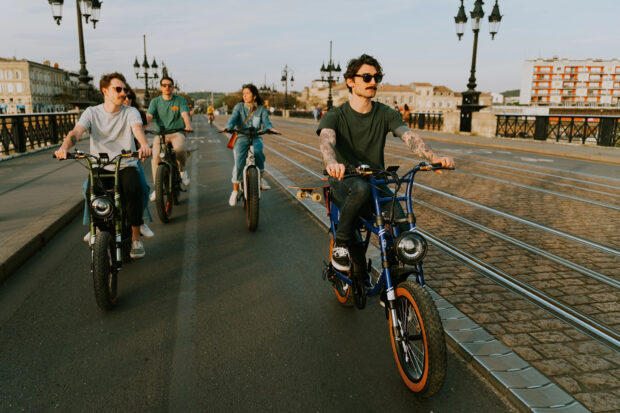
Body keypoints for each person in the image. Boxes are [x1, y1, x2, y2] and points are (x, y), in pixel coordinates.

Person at [317, 54, 454, 272]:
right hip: (345, 182)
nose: (373, 82)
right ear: (350, 81)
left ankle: (394, 284)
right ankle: (341, 244)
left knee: (403, 226)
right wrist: (332, 162)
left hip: (375, 183)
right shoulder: (336, 114)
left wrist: (433, 158)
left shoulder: (385, 113)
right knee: (360, 189)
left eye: (377, 77)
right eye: (367, 77)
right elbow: (326, 140)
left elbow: (409, 136)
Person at [55, 72, 152, 259]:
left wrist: (145, 145)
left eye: (124, 89)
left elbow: (137, 129)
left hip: (125, 164)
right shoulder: (92, 112)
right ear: (105, 91)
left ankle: (135, 237)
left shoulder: (130, 112)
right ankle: (97, 228)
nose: (123, 93)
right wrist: (64, 148)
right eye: (118, 89)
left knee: (134, 188)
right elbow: (76, 132)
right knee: (89, 191)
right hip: (100, 164)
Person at [222, 83, 279, 206]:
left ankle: (260, 180)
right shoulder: (239, 107)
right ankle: (235, 190)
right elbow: (232, 119)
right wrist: (228, 127)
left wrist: (270, 128)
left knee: (258, 153)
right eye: (243, 94)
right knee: (239, 162)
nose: (245, 96)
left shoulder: (261, 108)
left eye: (247, 93)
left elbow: (267, 122)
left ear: (254, 96)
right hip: (242, 136)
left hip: (256, 136)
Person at [146, 76, 192, 201]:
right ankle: (157, 188)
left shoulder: (180, 100)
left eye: (170, 85)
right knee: (155, 157)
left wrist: (187, 125)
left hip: (177, 132)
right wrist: (143, 125)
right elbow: (149, 115)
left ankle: (182, 170)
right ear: (161, 87)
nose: (167, 87)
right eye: (164, 85)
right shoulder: (155, 101)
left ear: (173, 87)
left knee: (180, 149)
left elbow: (185, 114)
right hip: (161, 134)